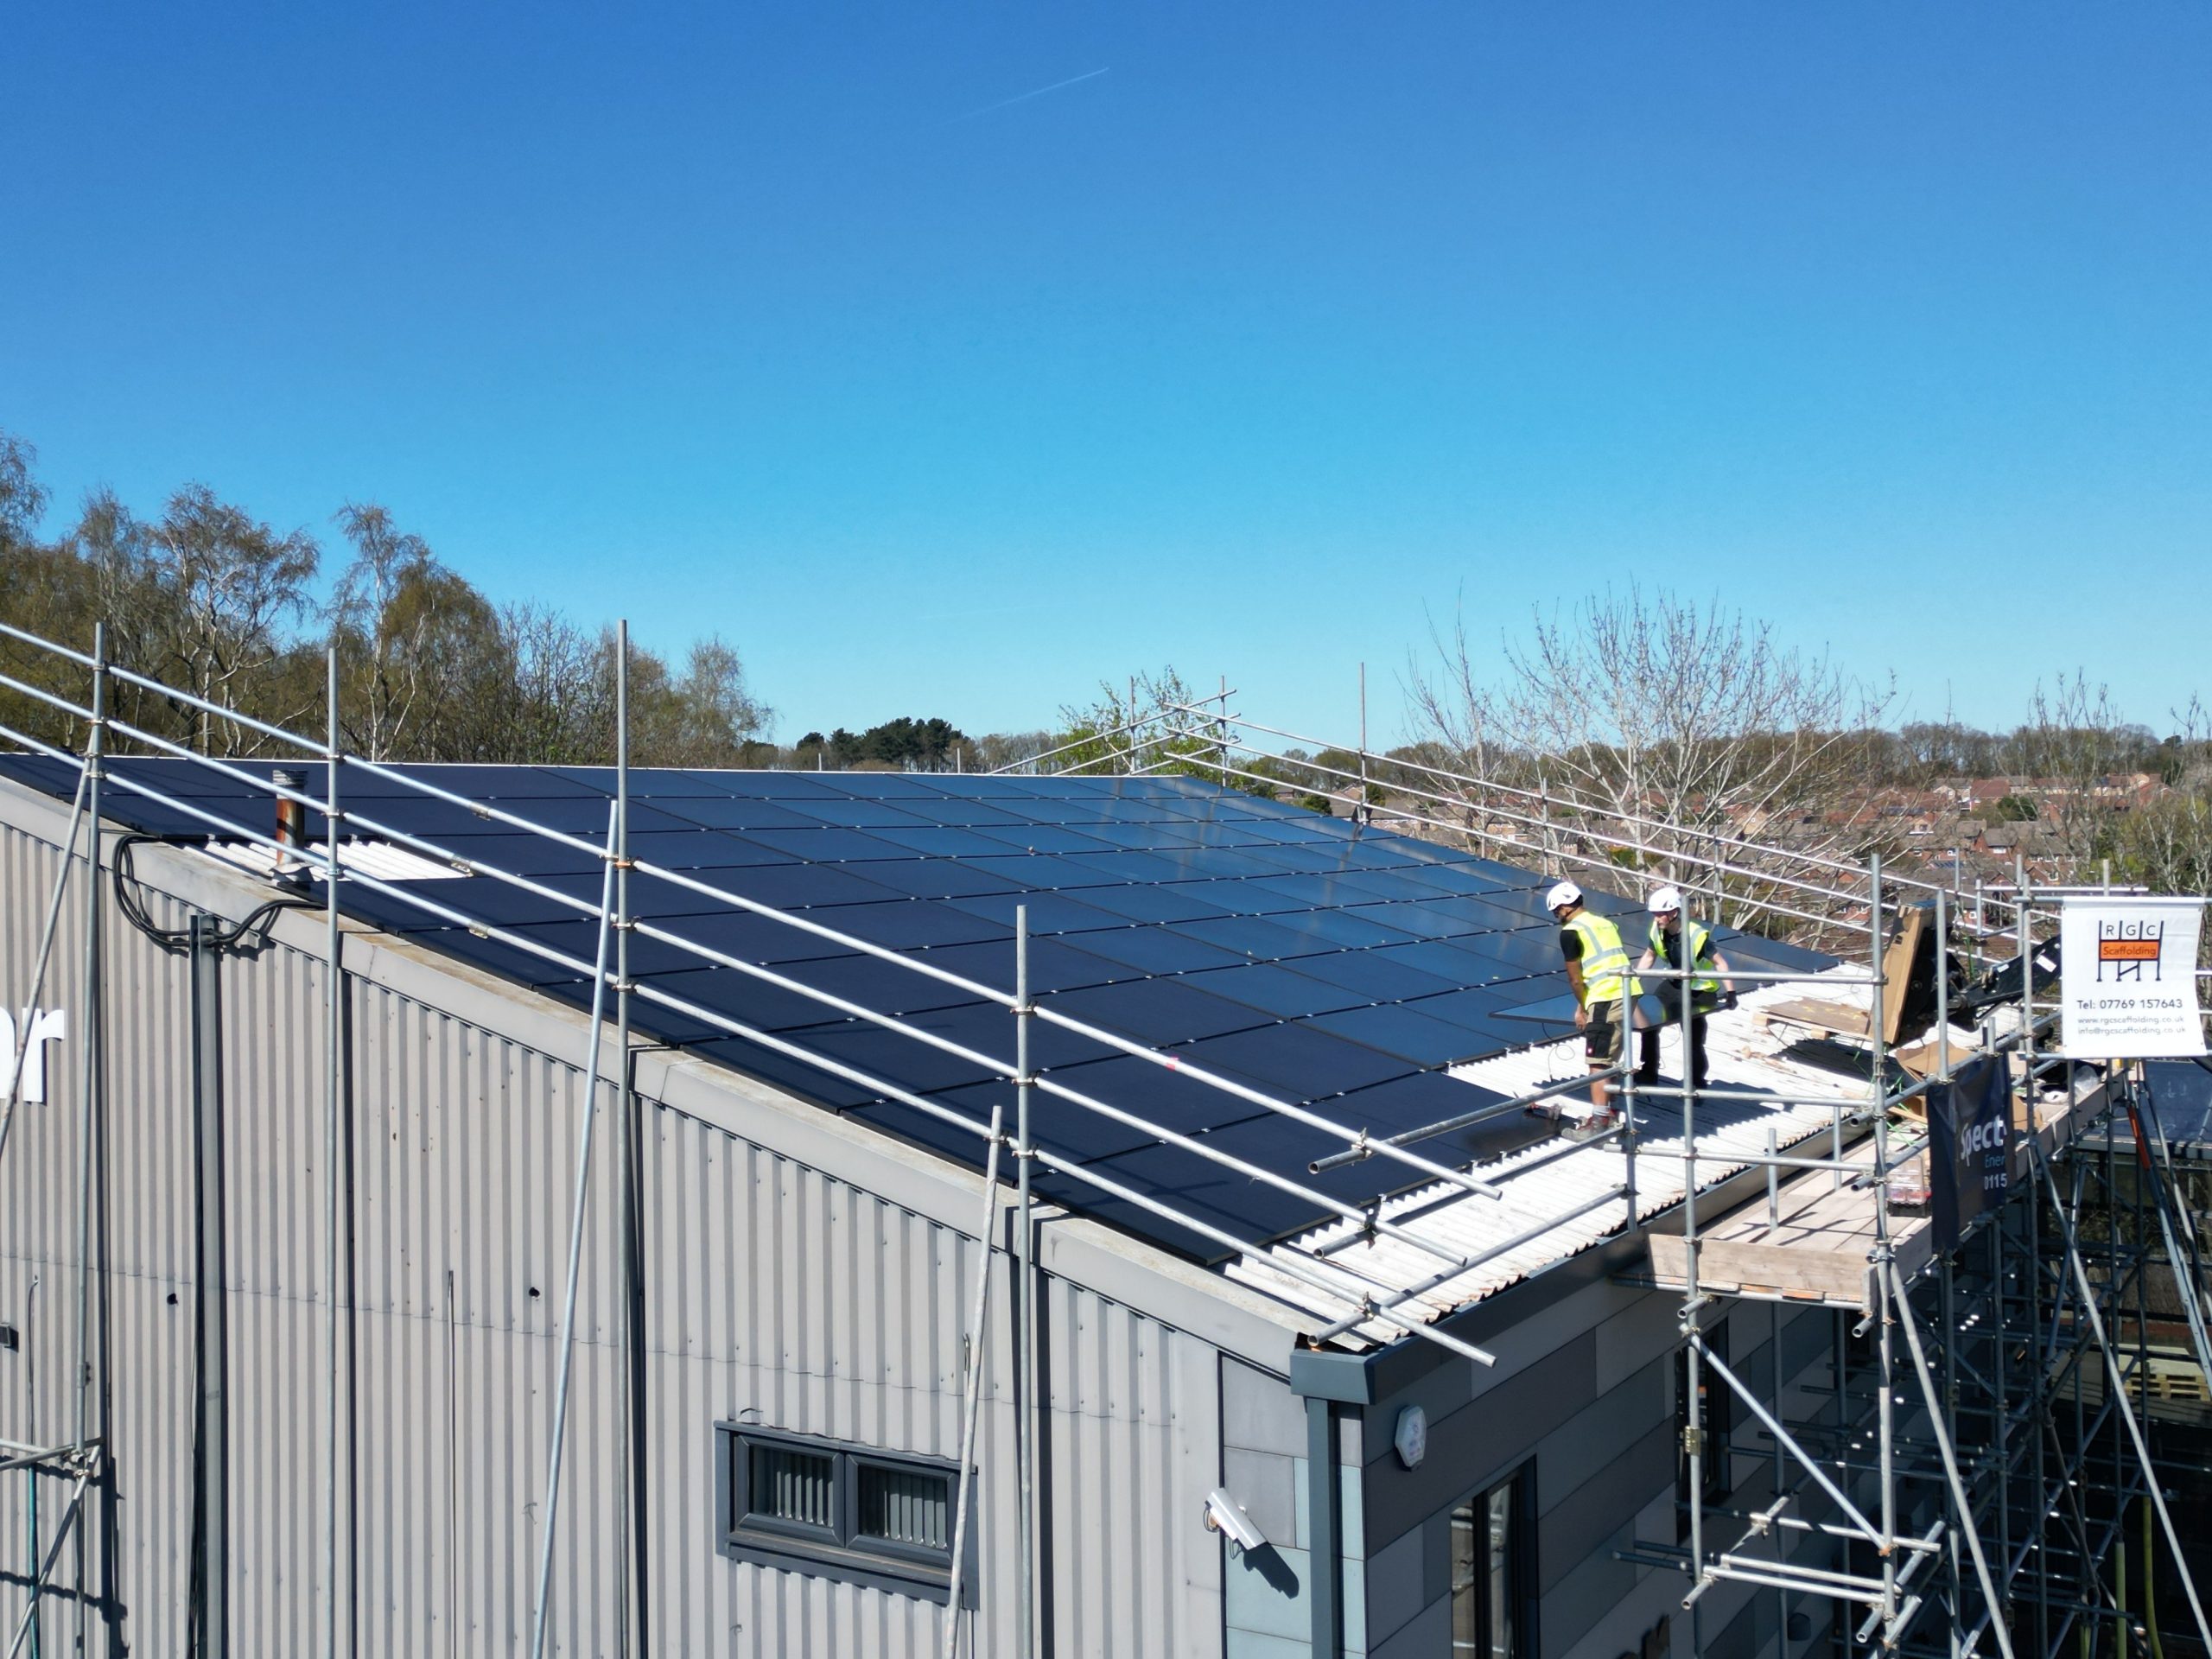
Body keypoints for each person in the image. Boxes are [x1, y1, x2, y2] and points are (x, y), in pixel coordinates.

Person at [1548, 880, 1643, 1112]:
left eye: (1556, 912)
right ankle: (1610, 1110)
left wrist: (1584, 1008)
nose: (1557, 917)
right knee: (1609, 1056)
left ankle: (1599, 1120)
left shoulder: (1570, 932)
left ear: (1563, 908)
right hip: (1629, 991)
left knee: (1597, 1061)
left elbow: (1576, 979)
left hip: (1605, 996)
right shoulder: (1605, 923)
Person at [1633, 886, 1736, 1089]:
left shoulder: (1696, 935)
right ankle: (1649, 1070)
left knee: (1692, 1037)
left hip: (1700, 990)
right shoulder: (1658, 931)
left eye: (1660, 915)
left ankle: (1696, 1081)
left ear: (1673, 913)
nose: (1656, 919)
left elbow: (1720, 963)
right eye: (1654, 915)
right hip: (1674, 983)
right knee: (1649, 1023)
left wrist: (1731, 992)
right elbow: (1649, 956)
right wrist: (1633, 982)